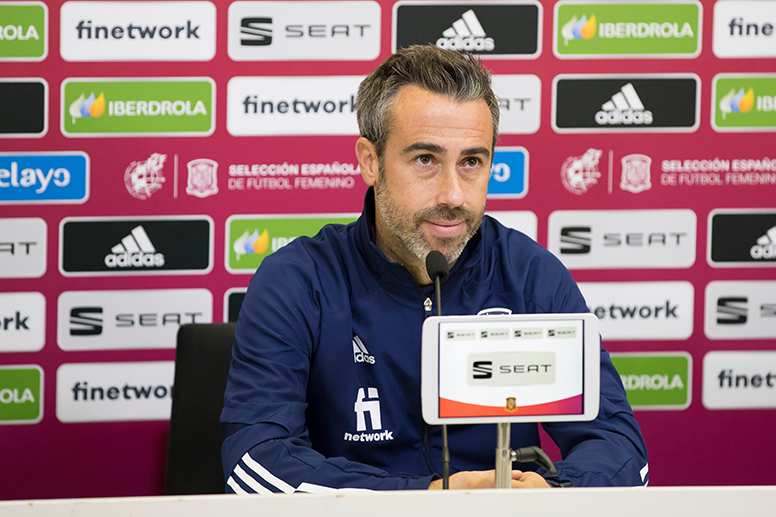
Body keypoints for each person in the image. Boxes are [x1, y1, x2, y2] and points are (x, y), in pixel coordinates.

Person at [221, 44, 648, 493]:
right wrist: (424, 499)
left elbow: (620, 450)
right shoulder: (298, 281)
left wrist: (554, 492)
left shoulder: (530, 278)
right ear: (370, 160)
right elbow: (257, 459)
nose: (453, 194)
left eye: (471, 162)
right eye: (425, 159)